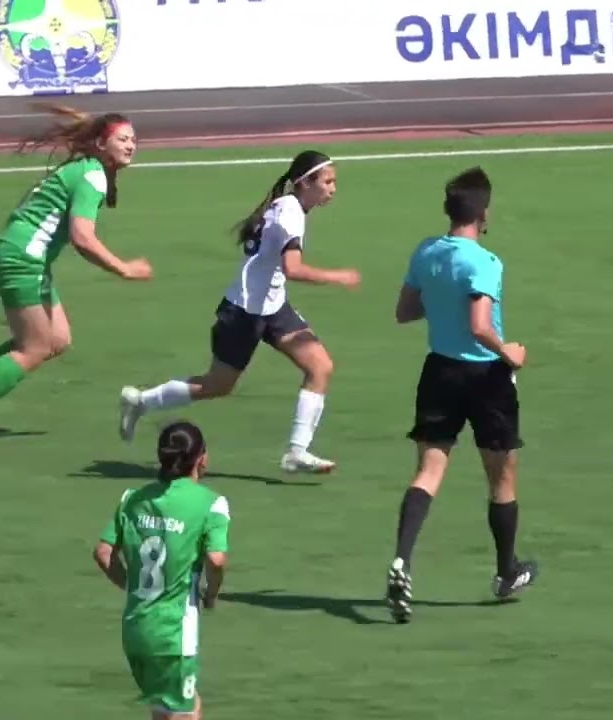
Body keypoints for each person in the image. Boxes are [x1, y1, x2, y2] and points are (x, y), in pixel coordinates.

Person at [117, 150, 361, 474]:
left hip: (273, 308)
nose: (333, 188)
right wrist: (338, 277)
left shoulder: (287, 206)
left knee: (320, 366)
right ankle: (141, 401)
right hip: (244, 313)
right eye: (327, 182)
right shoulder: (290, 214)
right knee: (217, 386)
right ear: (305, 183)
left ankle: (297, 452)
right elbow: (293, 268)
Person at [0, 104, 153, 443]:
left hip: (23, 256)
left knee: (58, 339)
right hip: (24, 260)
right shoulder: (92, 175)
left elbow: (33, 206)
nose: (130, 145)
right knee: (35, 347)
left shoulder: (81, 168)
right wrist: (124, 268)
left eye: (133, 140)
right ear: (100, 143)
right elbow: (83, 238)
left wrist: (2, 245)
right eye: (122, 139)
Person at [384, 166, 537, 624]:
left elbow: (404, 311)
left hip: (439, 372)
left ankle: (401, 559)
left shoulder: (426, 251)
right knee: (501, 480)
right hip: (487, 378)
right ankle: (506, 572)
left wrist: (441, 297)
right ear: (483, 213)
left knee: (428, 470)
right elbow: (479, 326)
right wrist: (509, 352)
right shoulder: (485, 262)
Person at [93, 420, 230, 720]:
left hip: (135, 629)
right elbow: (216, 560)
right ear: (201, 458)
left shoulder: (132, 499)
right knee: (183, 714)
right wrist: (211, 594)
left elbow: (104, 553)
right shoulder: (211, 504)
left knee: (169, 709)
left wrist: (132, 586)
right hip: (173, 634)